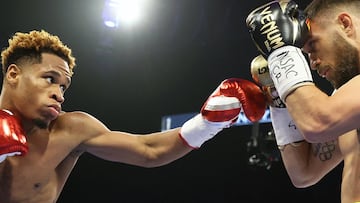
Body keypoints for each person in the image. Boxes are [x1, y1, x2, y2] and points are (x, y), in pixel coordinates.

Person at [0, 29, 266, 202]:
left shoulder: (70, 130)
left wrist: (207, 124)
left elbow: (148, 150)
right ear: (13, 74)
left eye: (63, 86)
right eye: (49, 79)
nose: (59, 93)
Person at [246, 0, 360, 202]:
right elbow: (303, 173)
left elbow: (318, 123)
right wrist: (278, 97)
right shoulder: (345, 103)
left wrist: (280, 51)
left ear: (344, 23)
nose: (313, 64)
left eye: (313, 45)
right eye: (306, 55)